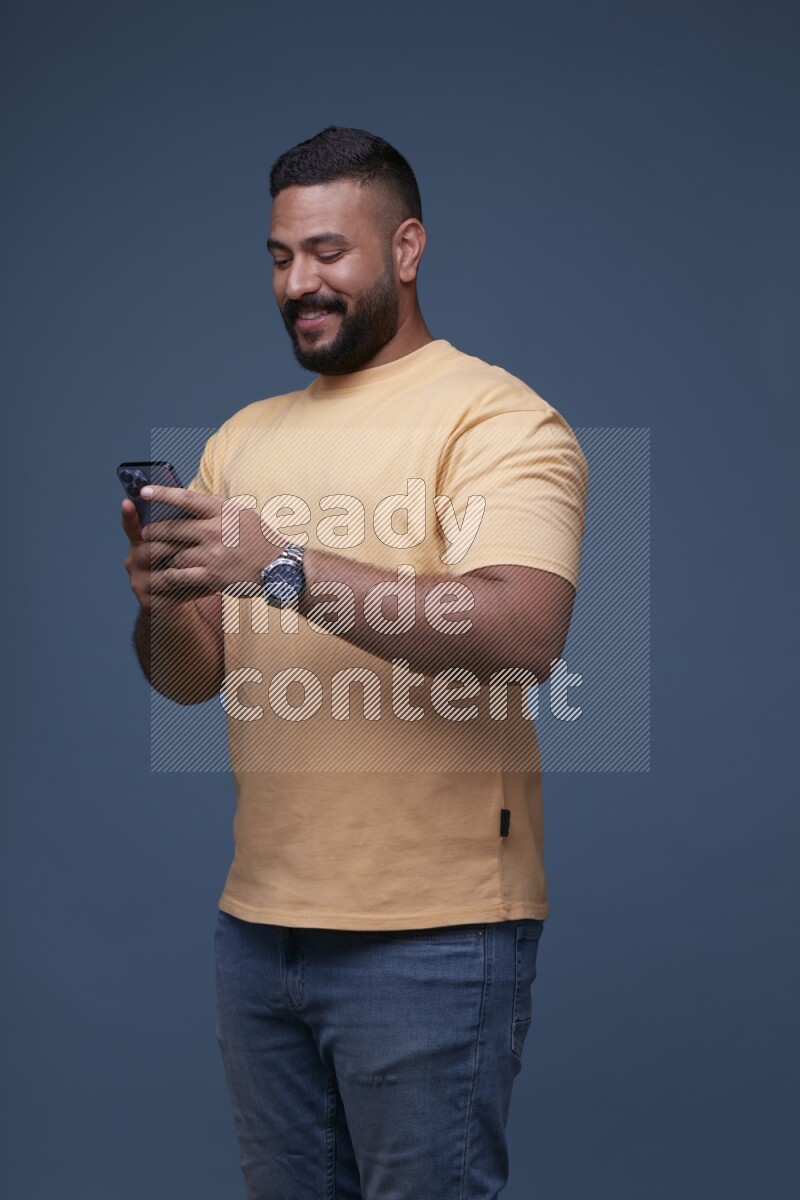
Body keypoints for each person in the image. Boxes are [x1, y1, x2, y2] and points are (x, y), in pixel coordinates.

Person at [121, 127, 588, 1200]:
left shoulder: (496, 417)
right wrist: (162, 600)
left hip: (433, 936)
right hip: (258, 930)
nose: (299, 283)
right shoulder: (241, 438)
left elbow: (523, 633)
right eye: (281, 257)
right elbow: (189, 677)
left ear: (407, 248)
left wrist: (277, 566)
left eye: (328, 252)